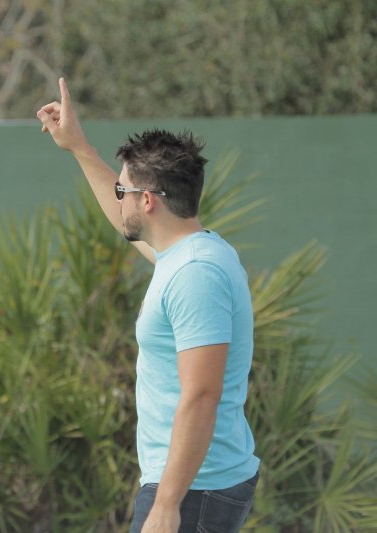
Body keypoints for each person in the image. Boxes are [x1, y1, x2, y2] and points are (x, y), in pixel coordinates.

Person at [37, 78, 260, 533]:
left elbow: (201, 395)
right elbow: (122, 215)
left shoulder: (196, 274)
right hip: (196, 483)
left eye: (125, 193)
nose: (120, 201)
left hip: (194, 490)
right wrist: (80, 149)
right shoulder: (188, 256)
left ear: (150, 201)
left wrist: (167, 503)